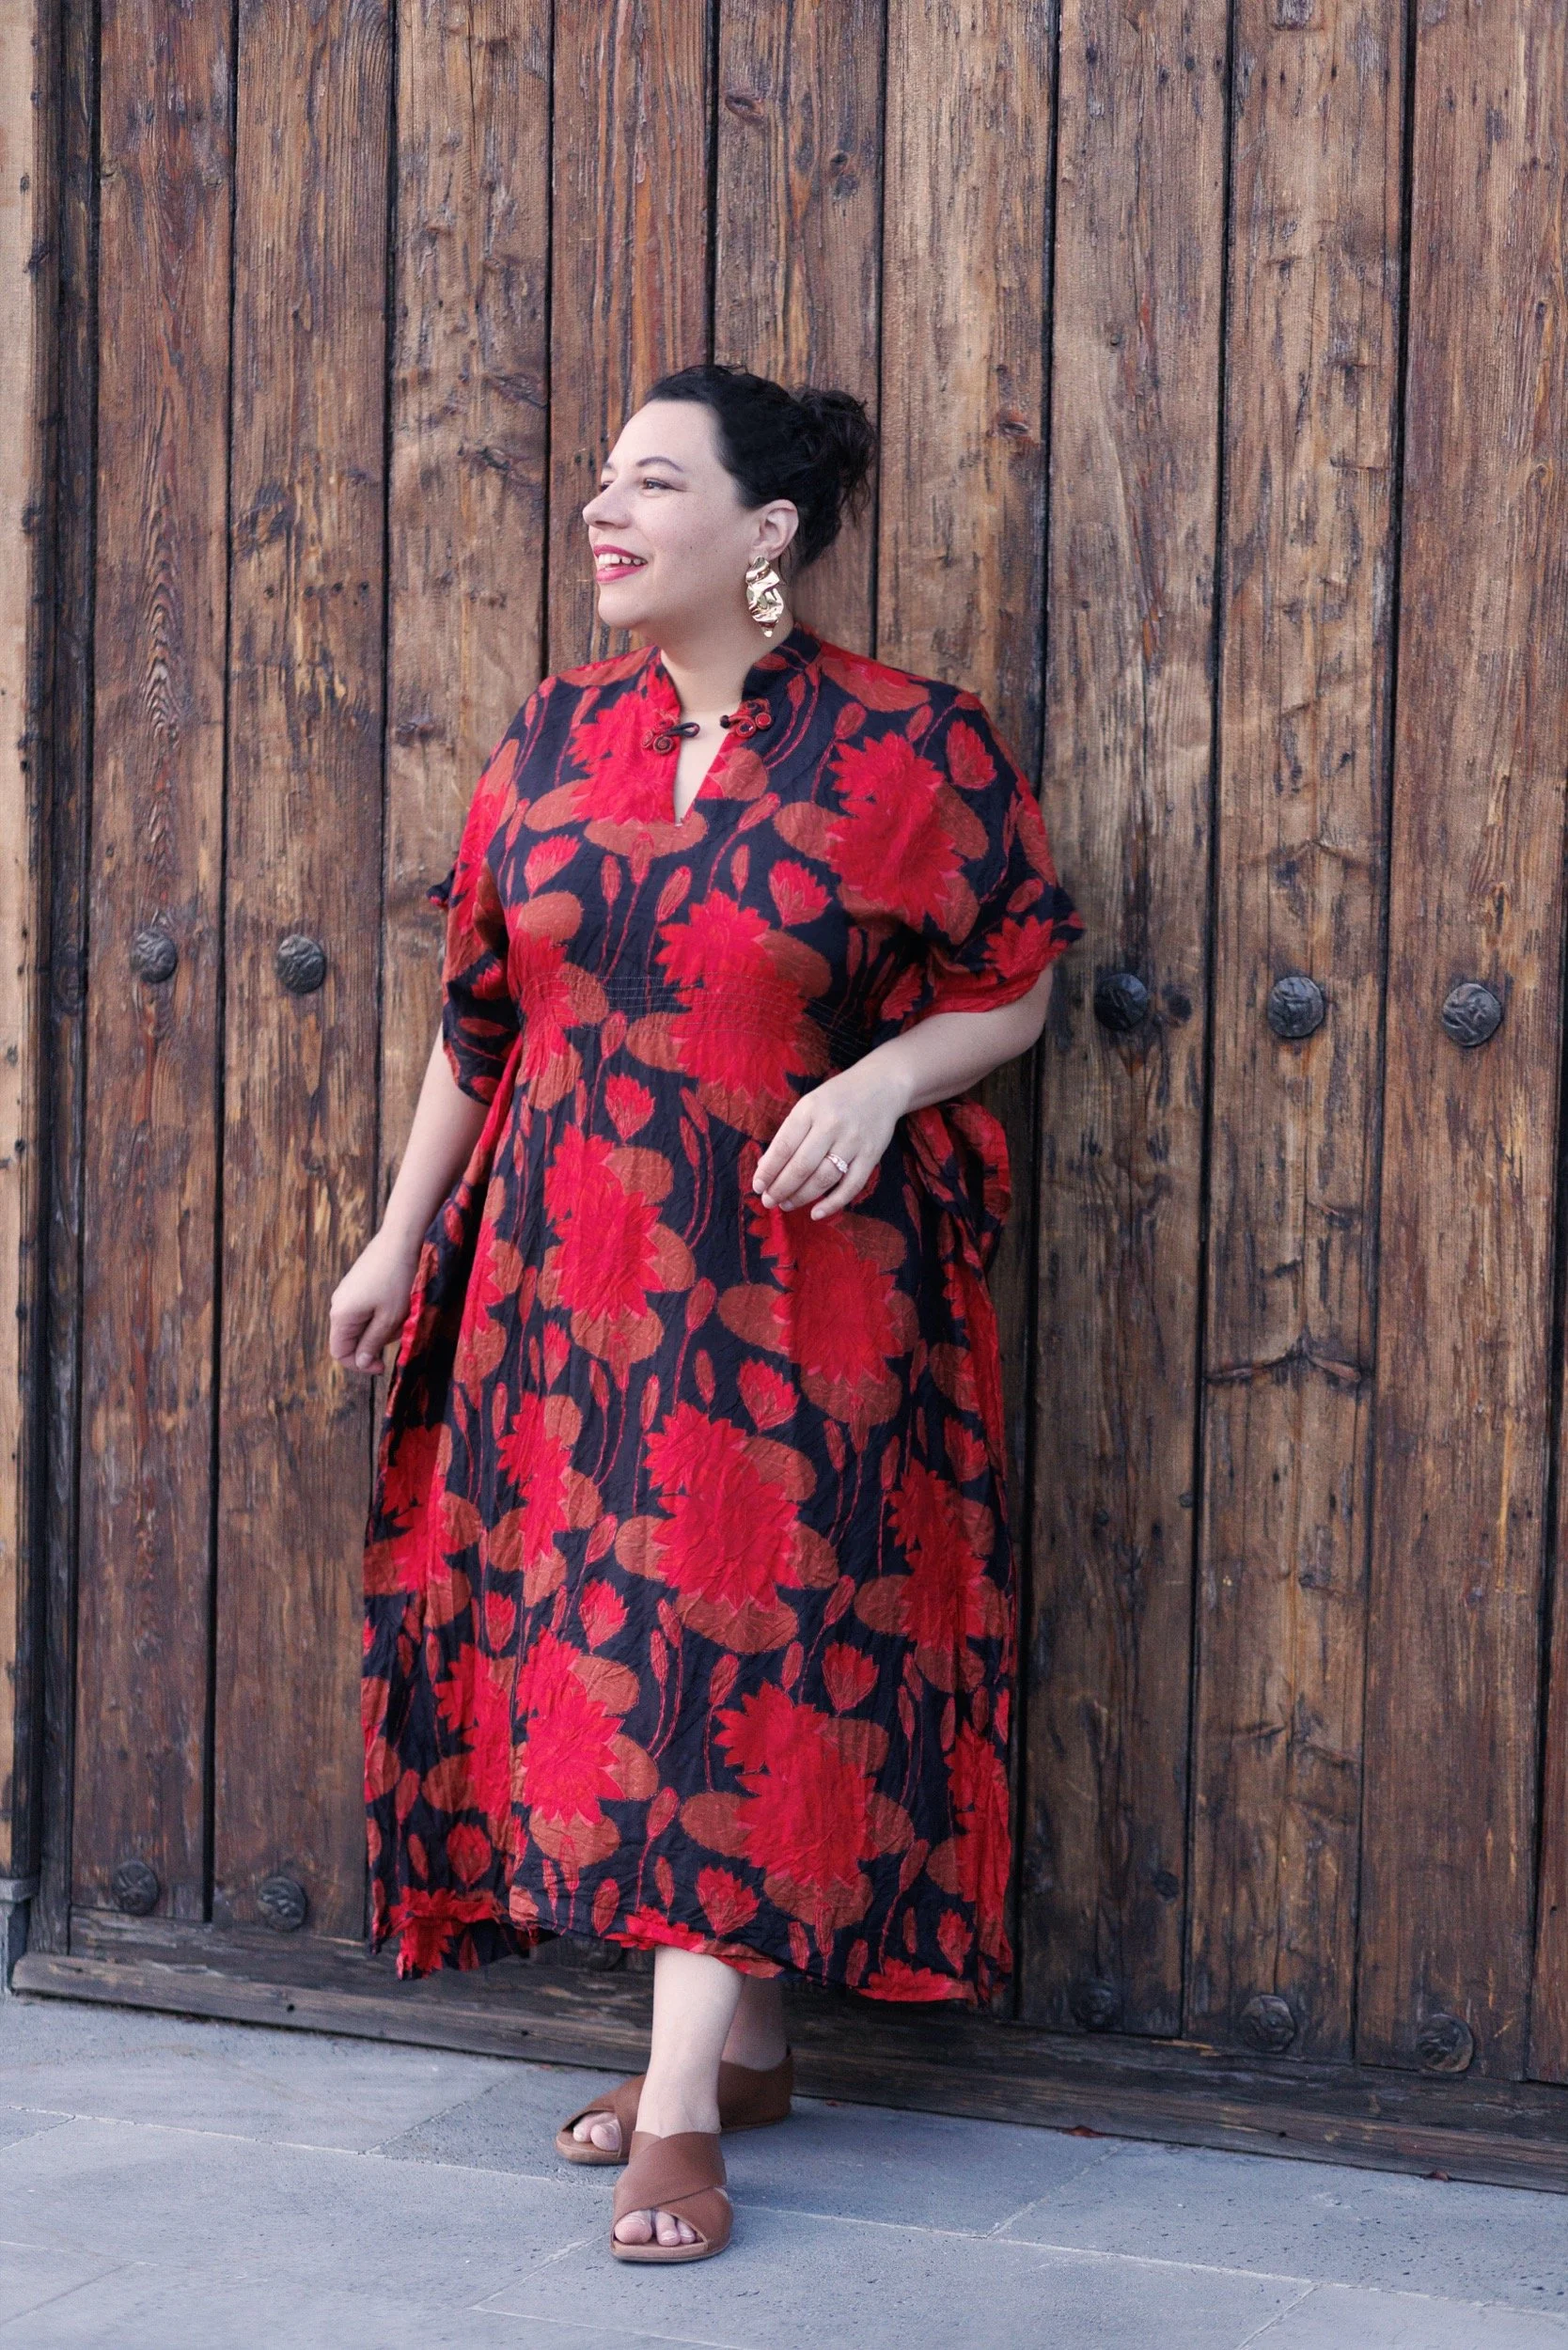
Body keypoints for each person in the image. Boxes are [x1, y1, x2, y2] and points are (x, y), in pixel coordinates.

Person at [331, 362, 1083, 2265]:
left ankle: (676, 2111)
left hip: (791, 1293)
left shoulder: (915, 747)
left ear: (764, 532)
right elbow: (477, 1025)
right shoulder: (555, 735)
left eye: (652, 483)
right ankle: (735, 2045)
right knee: (606, 1653)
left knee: (725, 1653)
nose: (606, 509)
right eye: (603, 479)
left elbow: (1016, 985)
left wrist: (887, 1077)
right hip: (563, 1283)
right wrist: (393, 1239)